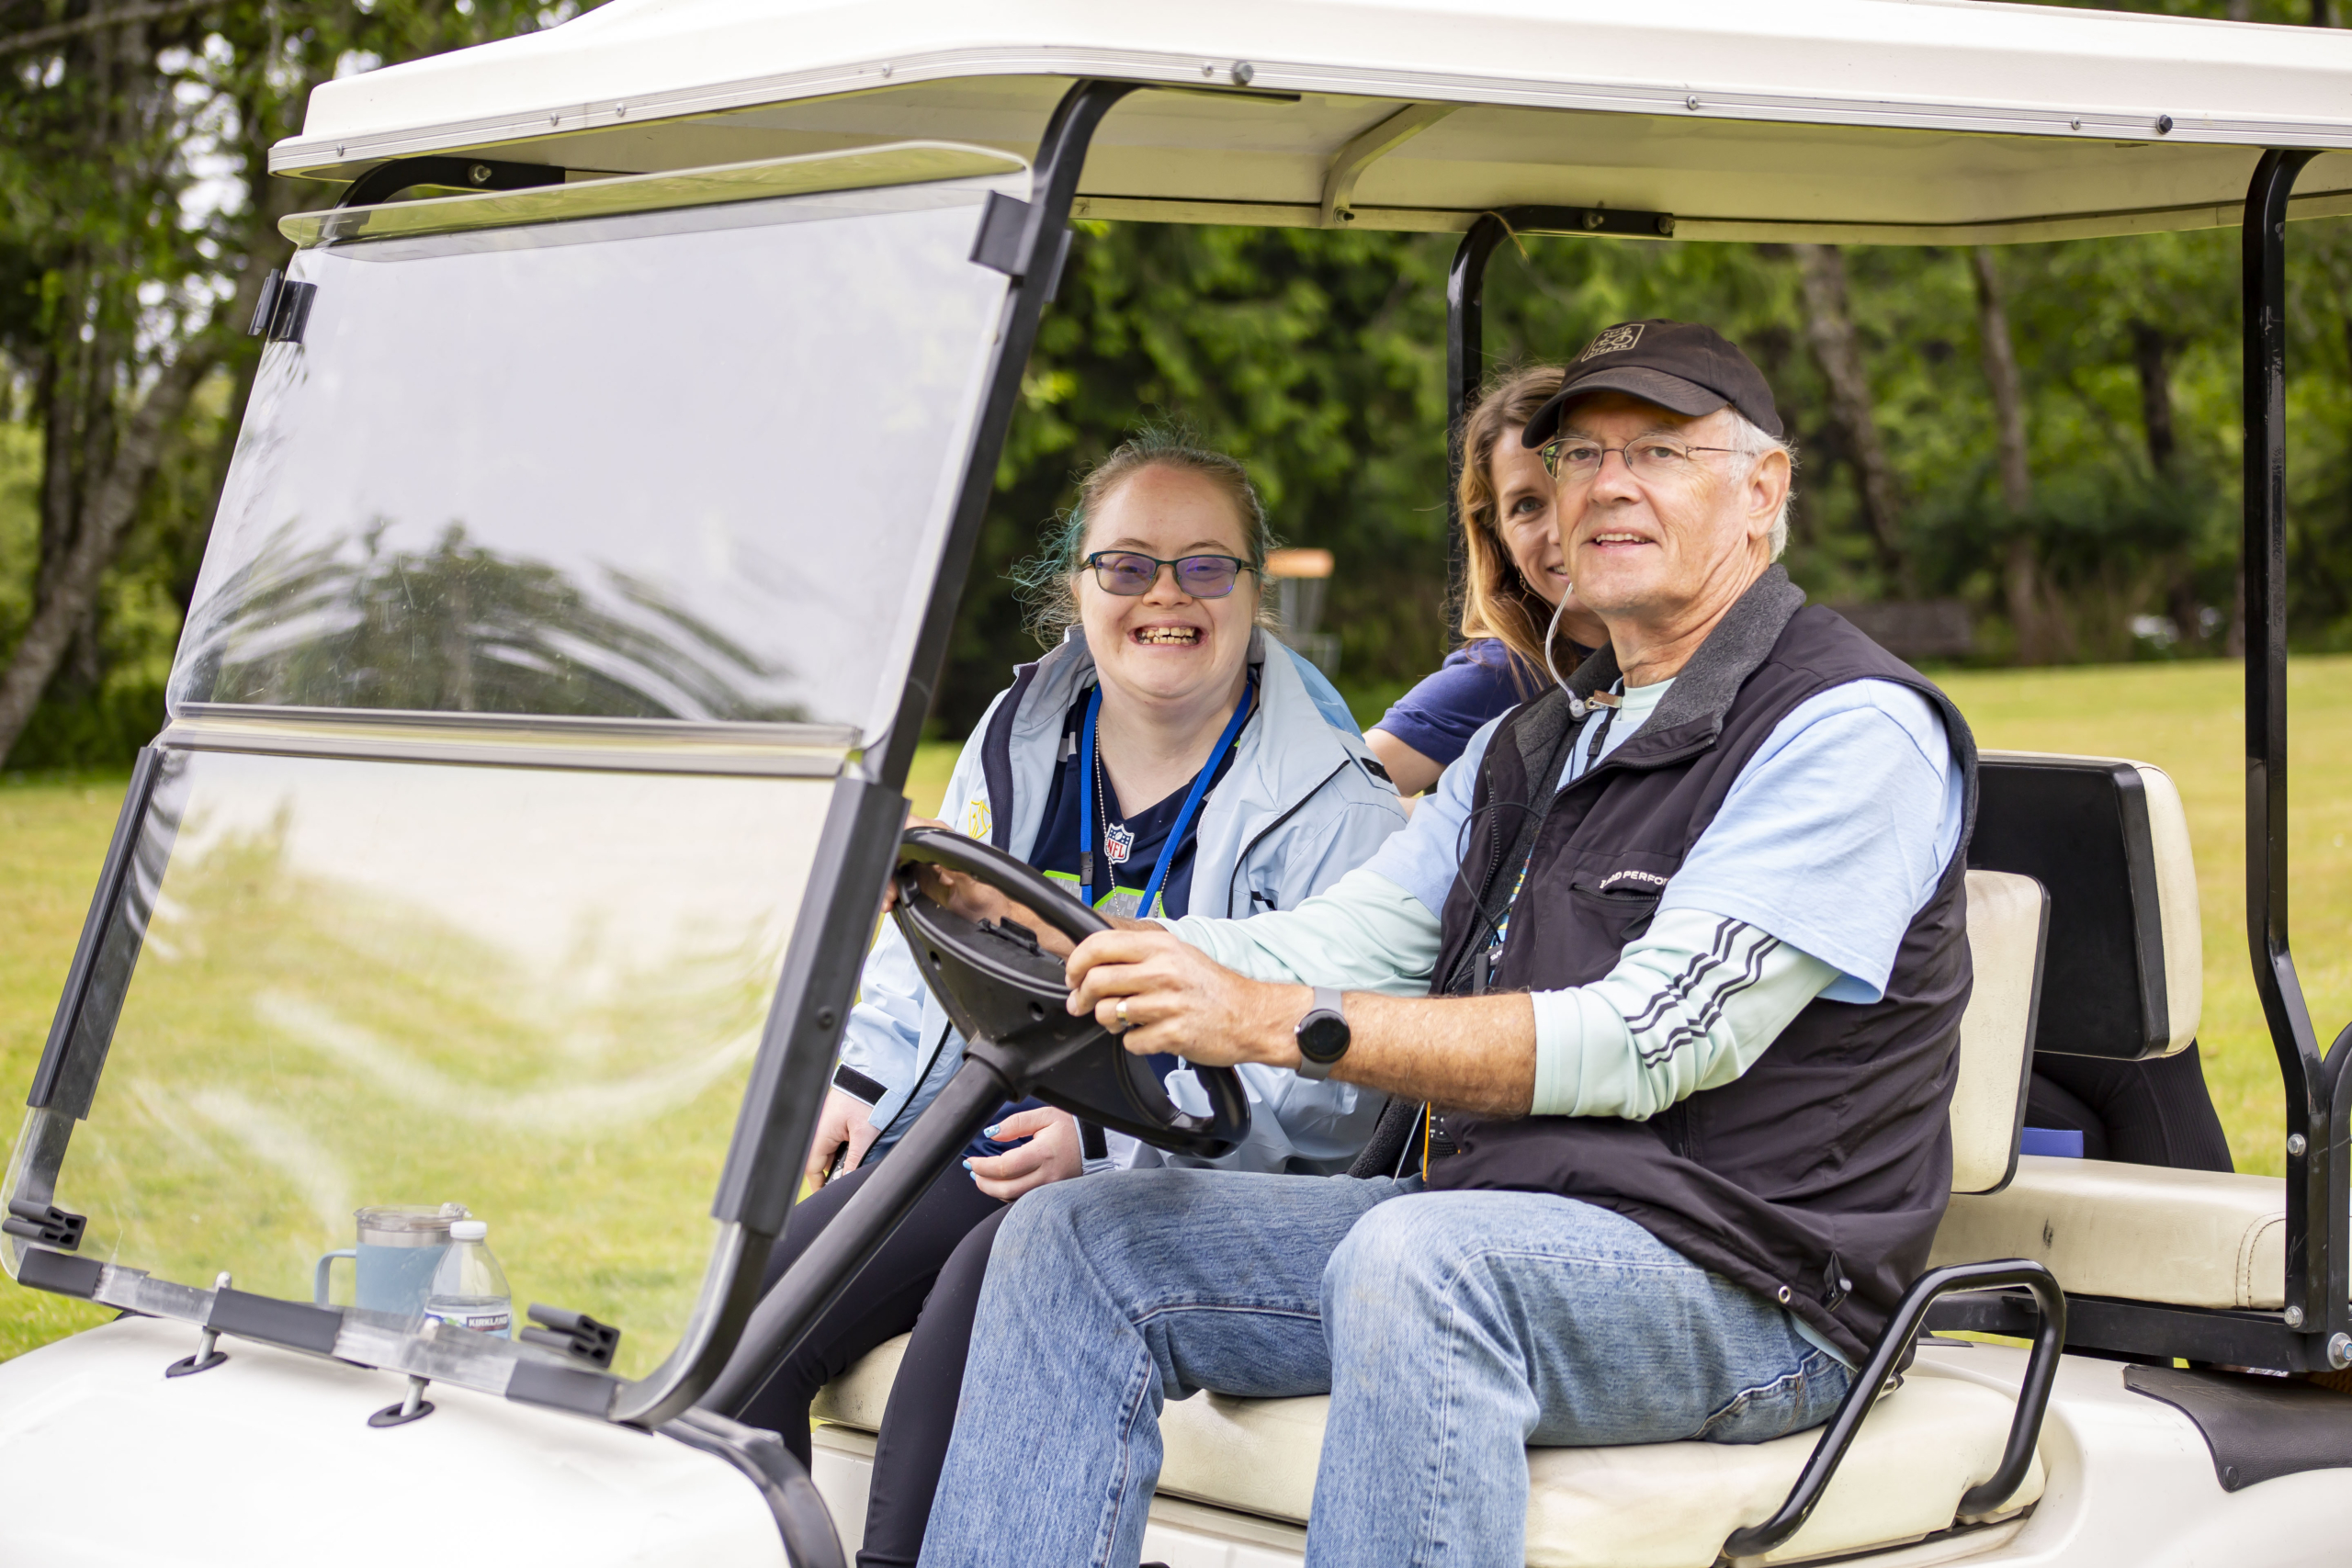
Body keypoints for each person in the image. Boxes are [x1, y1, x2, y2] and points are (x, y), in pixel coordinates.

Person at [916, 321, 1978, 1567]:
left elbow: (1656, 1034)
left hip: (1757, 1284)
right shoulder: (1531, 745)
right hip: (1505, 1223)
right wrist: (1073, 936)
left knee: (1419, 1254)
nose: (1611, 484)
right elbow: (1343, 933)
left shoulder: (1849, 729)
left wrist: (1265, 1019)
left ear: (1764, 489)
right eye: (1582, 454)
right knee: (1075, 1238)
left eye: (1665, 451)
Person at [711, 431, 1406, 1568]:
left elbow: (1337, 1095)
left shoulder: (1339, 808)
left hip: (1166, 1182)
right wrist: (860, 1078)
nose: (1165, 597)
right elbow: (931, 929)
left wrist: (1100, 1139)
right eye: (1127, 565)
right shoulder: (1020, 728)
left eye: (1204, 566)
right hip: (977, 1128)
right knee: (750, 1333)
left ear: (1252, 588)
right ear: (1076, 585)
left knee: (971, 1331)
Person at [1366, 367, 1607, 797]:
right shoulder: (1503, 676)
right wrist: (1461, 830)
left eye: (1578, 482)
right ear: (1499, 539)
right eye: (1527, 505)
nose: (1560, 530)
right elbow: (1330, 805)